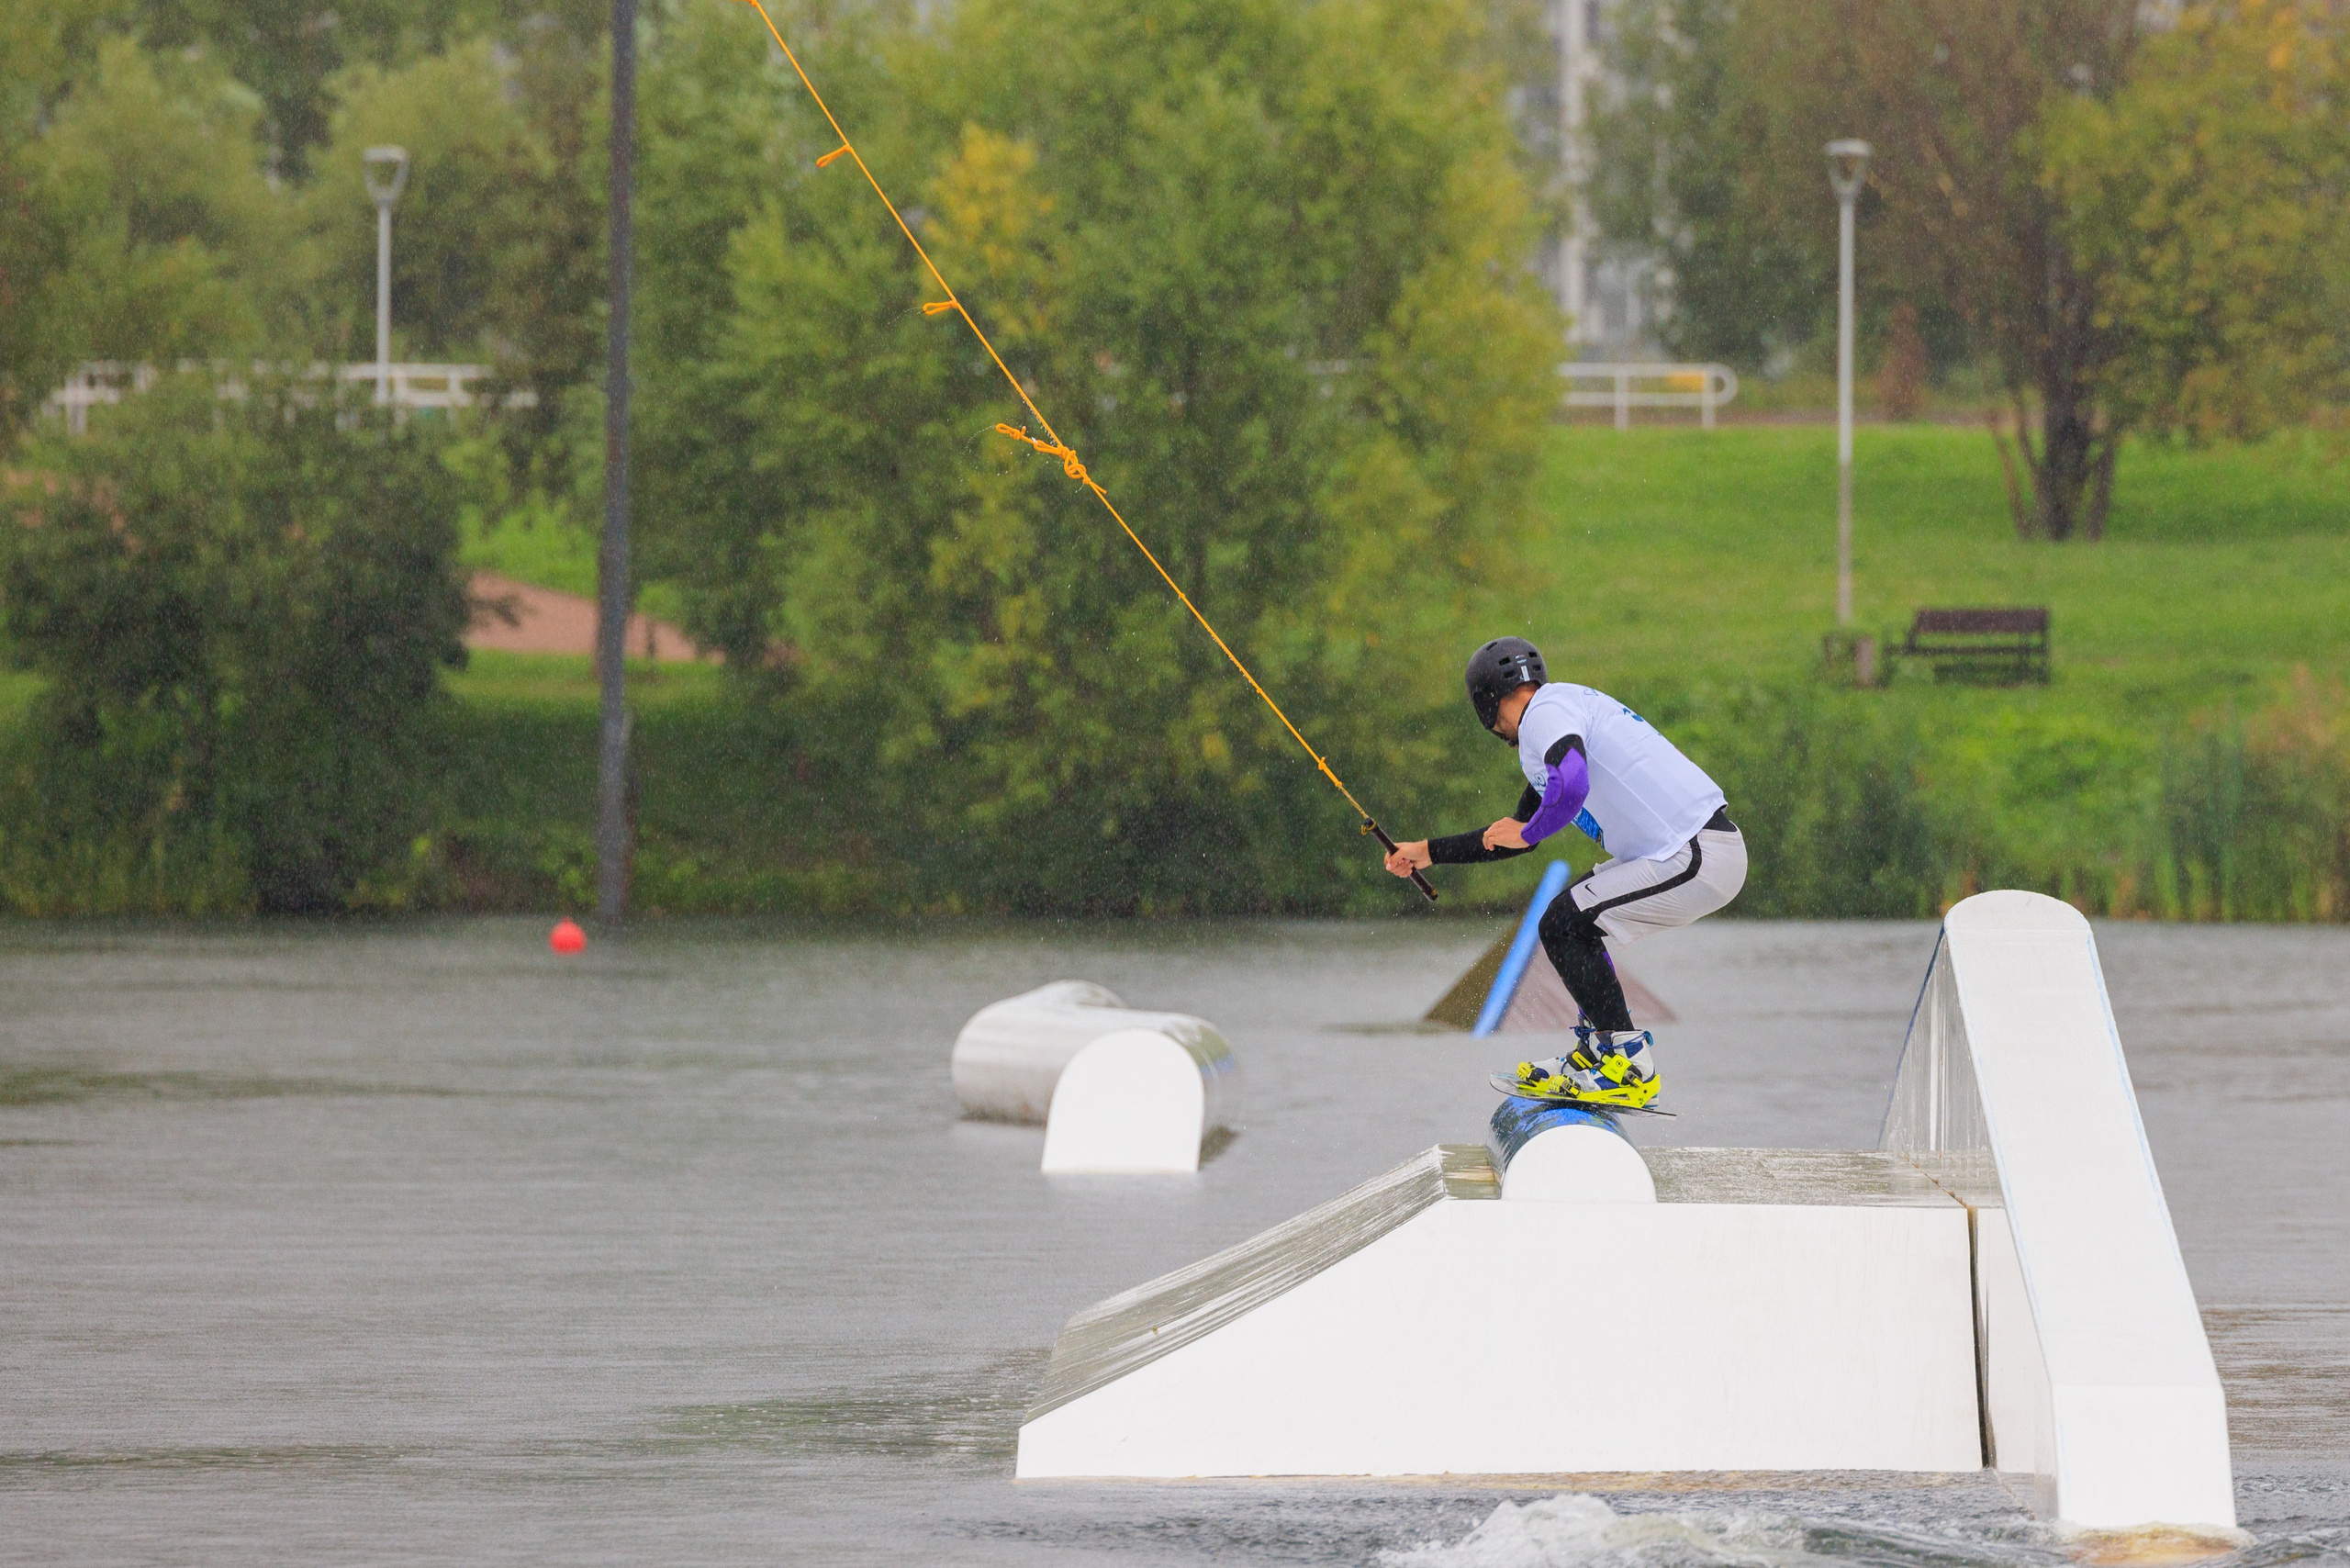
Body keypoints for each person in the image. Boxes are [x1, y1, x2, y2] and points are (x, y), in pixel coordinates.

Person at [1382, 637, 1746, 1108]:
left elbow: (1572, 786)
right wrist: (1429, 851)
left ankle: (1628, 1064)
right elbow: (1514, 837)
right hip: (1690, 851)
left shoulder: (1544, 716)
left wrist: (1529, 829)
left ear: (1485, 700)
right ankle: (1600, 1053)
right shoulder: (1557, 719)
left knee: (1563, 923)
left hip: (1696, 852)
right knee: (1570, 923)